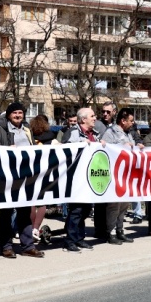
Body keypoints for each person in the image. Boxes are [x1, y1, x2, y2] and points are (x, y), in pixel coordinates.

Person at [0, 102, 42, 258]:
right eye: (15, 113)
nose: (18, 115)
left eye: (20, 112)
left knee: (25, 213)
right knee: (6, 213)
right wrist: (6, 150)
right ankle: (6, 246)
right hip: (8, 178)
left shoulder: (27, 130)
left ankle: (27, 245)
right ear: (9, 115)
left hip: (25, 177)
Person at [99, 107, 141, 243]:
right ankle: (109, 232)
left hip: (126, 174)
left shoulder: (128, 133)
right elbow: (105, 150)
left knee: (124, 205)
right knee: (114, 206)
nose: (132, 123)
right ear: (123, 121)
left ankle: (120, 230)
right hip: (114, 175)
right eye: (130, 120)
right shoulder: (110, 132)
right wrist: (121, 145)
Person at [63, 107, 100, 252]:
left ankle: (79, 238)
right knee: (77, 210)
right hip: (76, 177)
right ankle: (70, 240)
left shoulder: (95, 134)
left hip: (89, 177)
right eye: (92, 116)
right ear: (83, 119)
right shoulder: (73, 132)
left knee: (85, 209)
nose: (95, 118)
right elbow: (64, 149)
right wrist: (79, 144)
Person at [28, 114, 56, 246]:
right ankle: (36, 228)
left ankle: (30, 227)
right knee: (42, 203)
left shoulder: (30, 139)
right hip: (46, 173)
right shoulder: (52, 139)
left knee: (32, 202)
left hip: (31, 173)